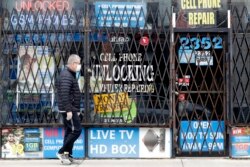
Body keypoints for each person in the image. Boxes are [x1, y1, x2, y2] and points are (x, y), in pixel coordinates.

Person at [56, 54, 82, 164]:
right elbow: (64, 94)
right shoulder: (66, 75)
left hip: (71, 108)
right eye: (78, 63)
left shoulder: (69, 74)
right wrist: (69, 110)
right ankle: (61, 152)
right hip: (69, 109)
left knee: (69, 131)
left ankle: (67, 156)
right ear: (72, 63)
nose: (79, 66)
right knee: (76, 130)